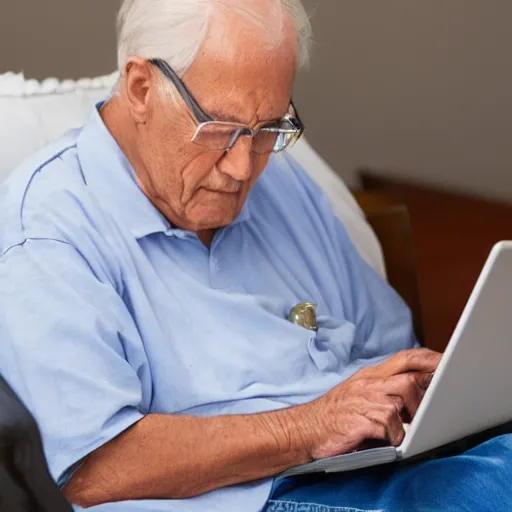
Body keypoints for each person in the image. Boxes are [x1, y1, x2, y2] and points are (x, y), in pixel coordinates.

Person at [0, 1, 510, 511]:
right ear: (140, 88)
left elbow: (389, 348)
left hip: (373, 465)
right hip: (259, 497)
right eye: (220, 130)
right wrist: (309, 425)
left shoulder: (282, 181)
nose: (244, 167)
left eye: (268, 129)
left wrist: (427, 390)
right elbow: (92, 469)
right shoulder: (47, 230)